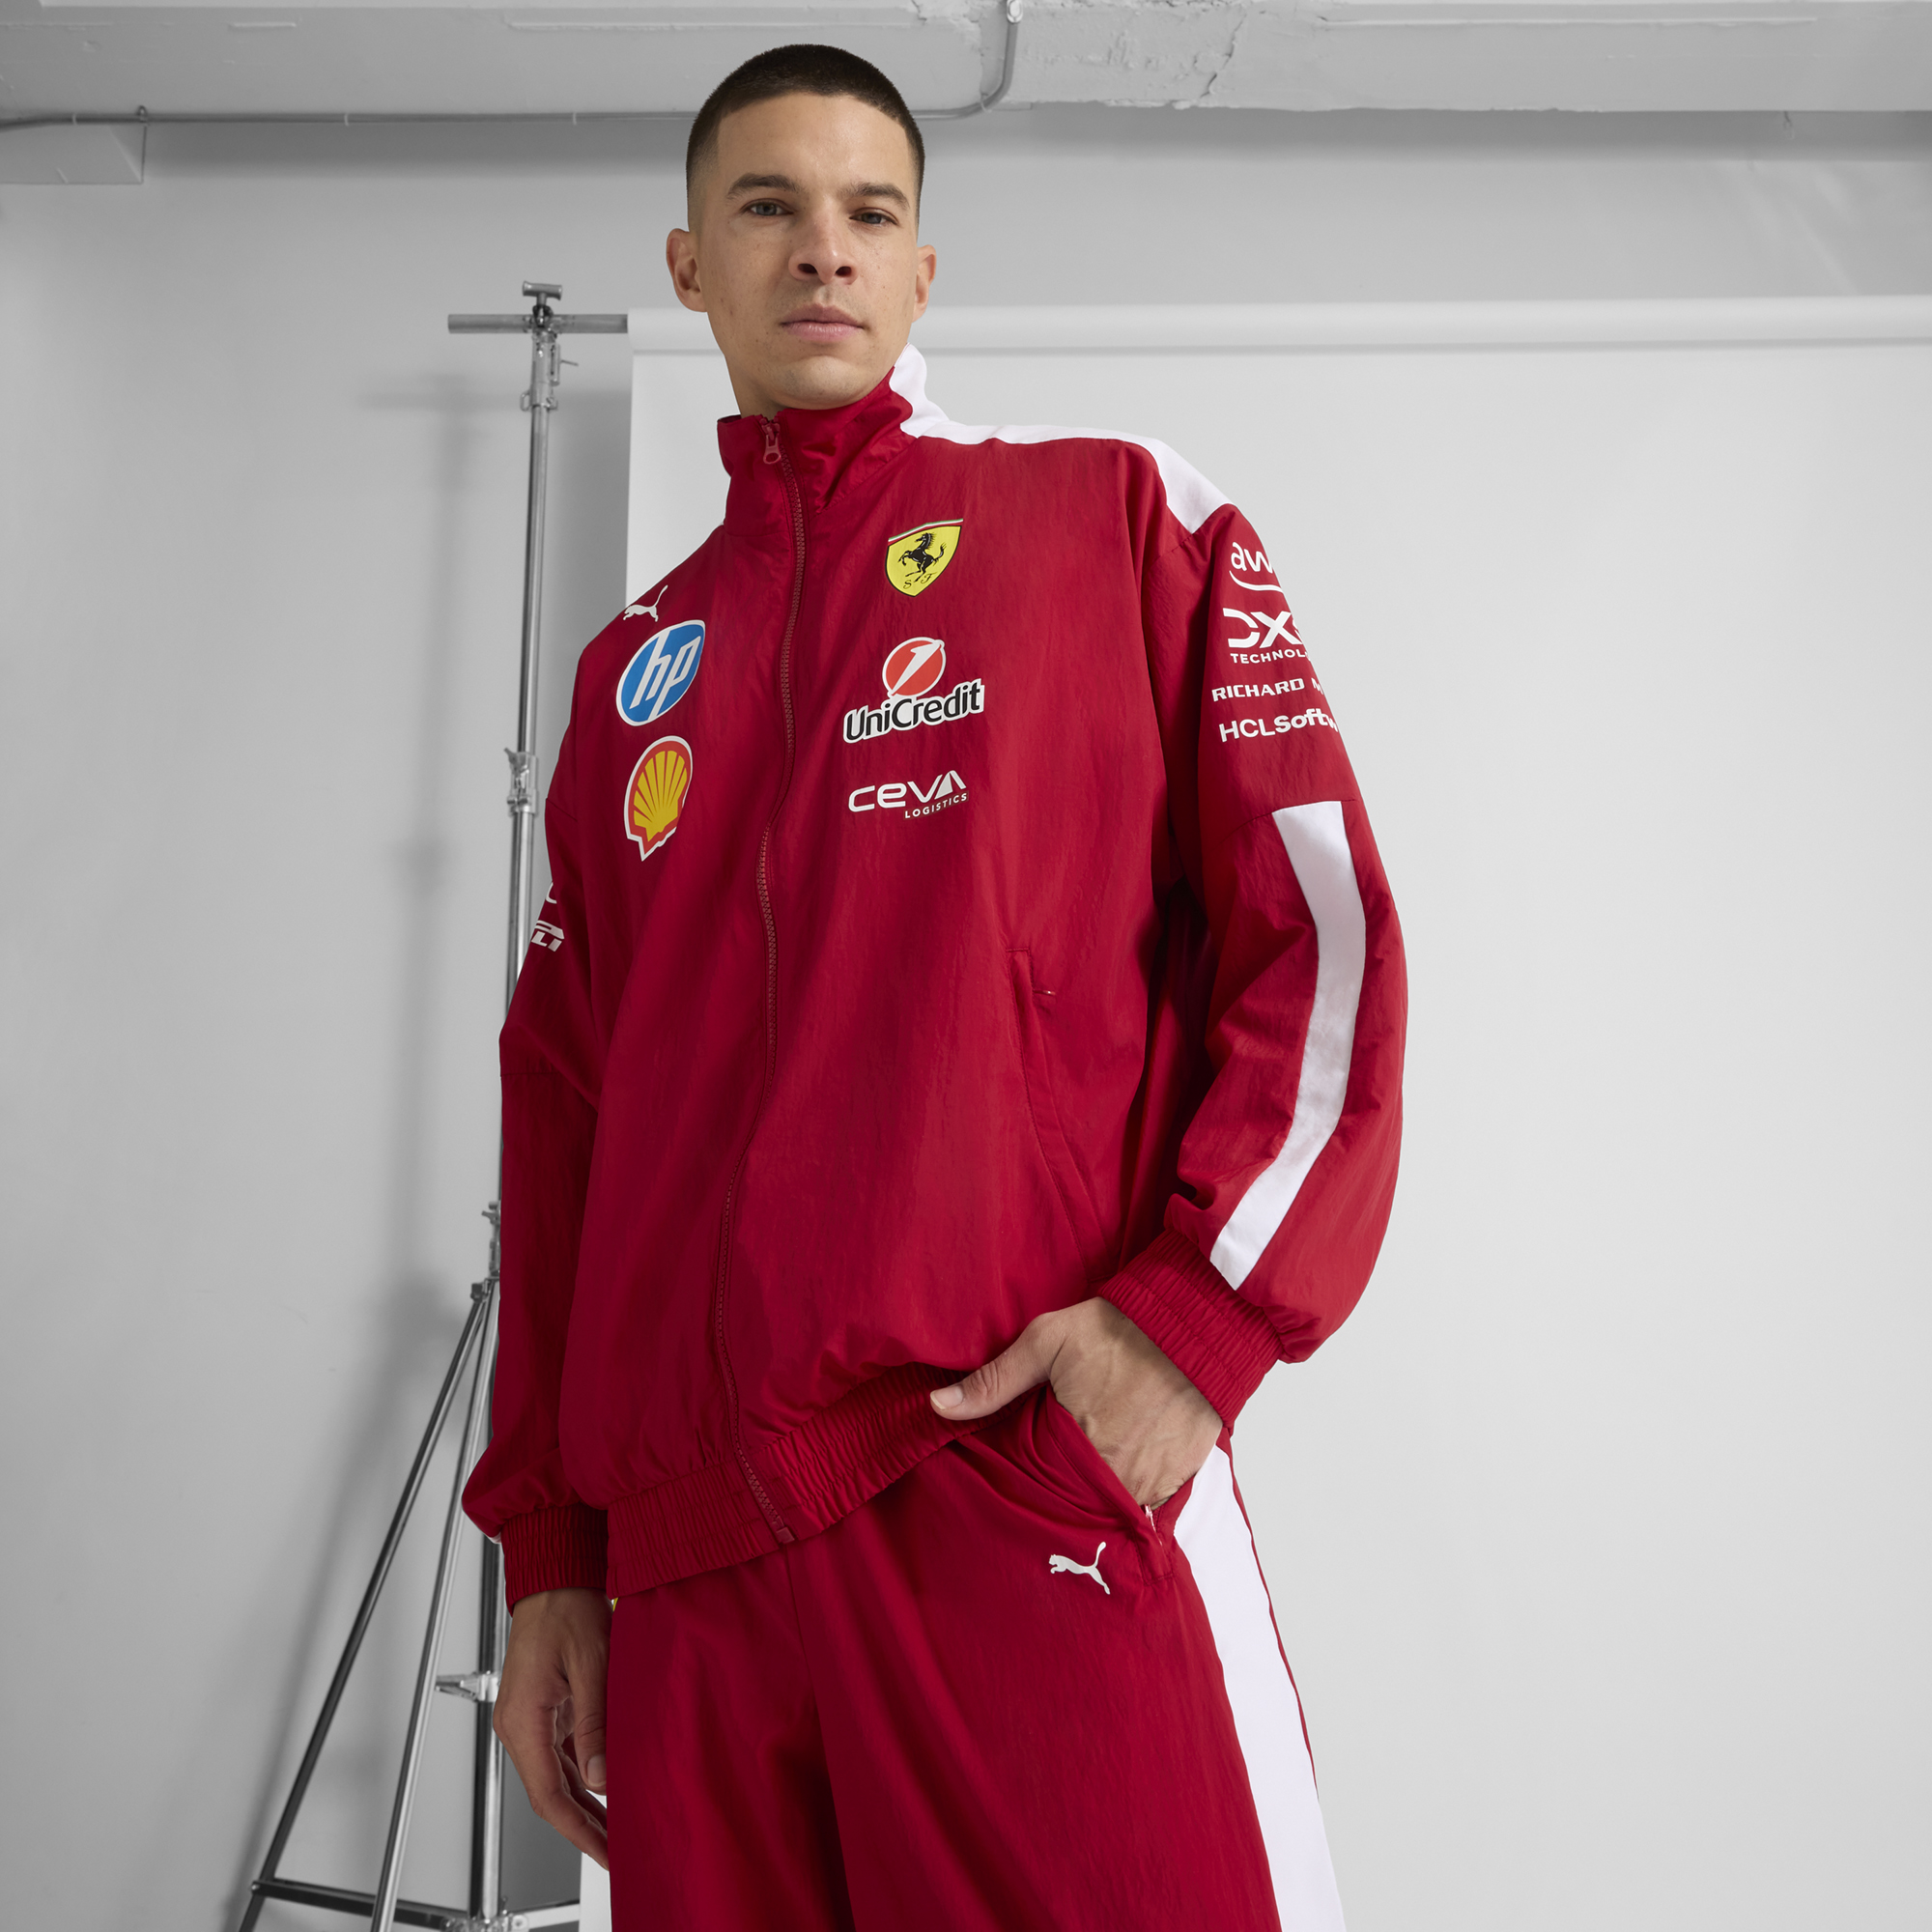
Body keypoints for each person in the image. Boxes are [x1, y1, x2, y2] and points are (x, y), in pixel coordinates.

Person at [462, 43, 1406, 1932]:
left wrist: (1194, 1325)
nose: (822, 248)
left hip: (1005, 1483)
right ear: (689, 265)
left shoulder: (1120, 521)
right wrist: (553, 1549)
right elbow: (567, 1130)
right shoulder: (632, 676)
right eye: (767, 208)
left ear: (919, 269)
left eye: (868, 212)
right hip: (695, 1575)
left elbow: (1319, 933)